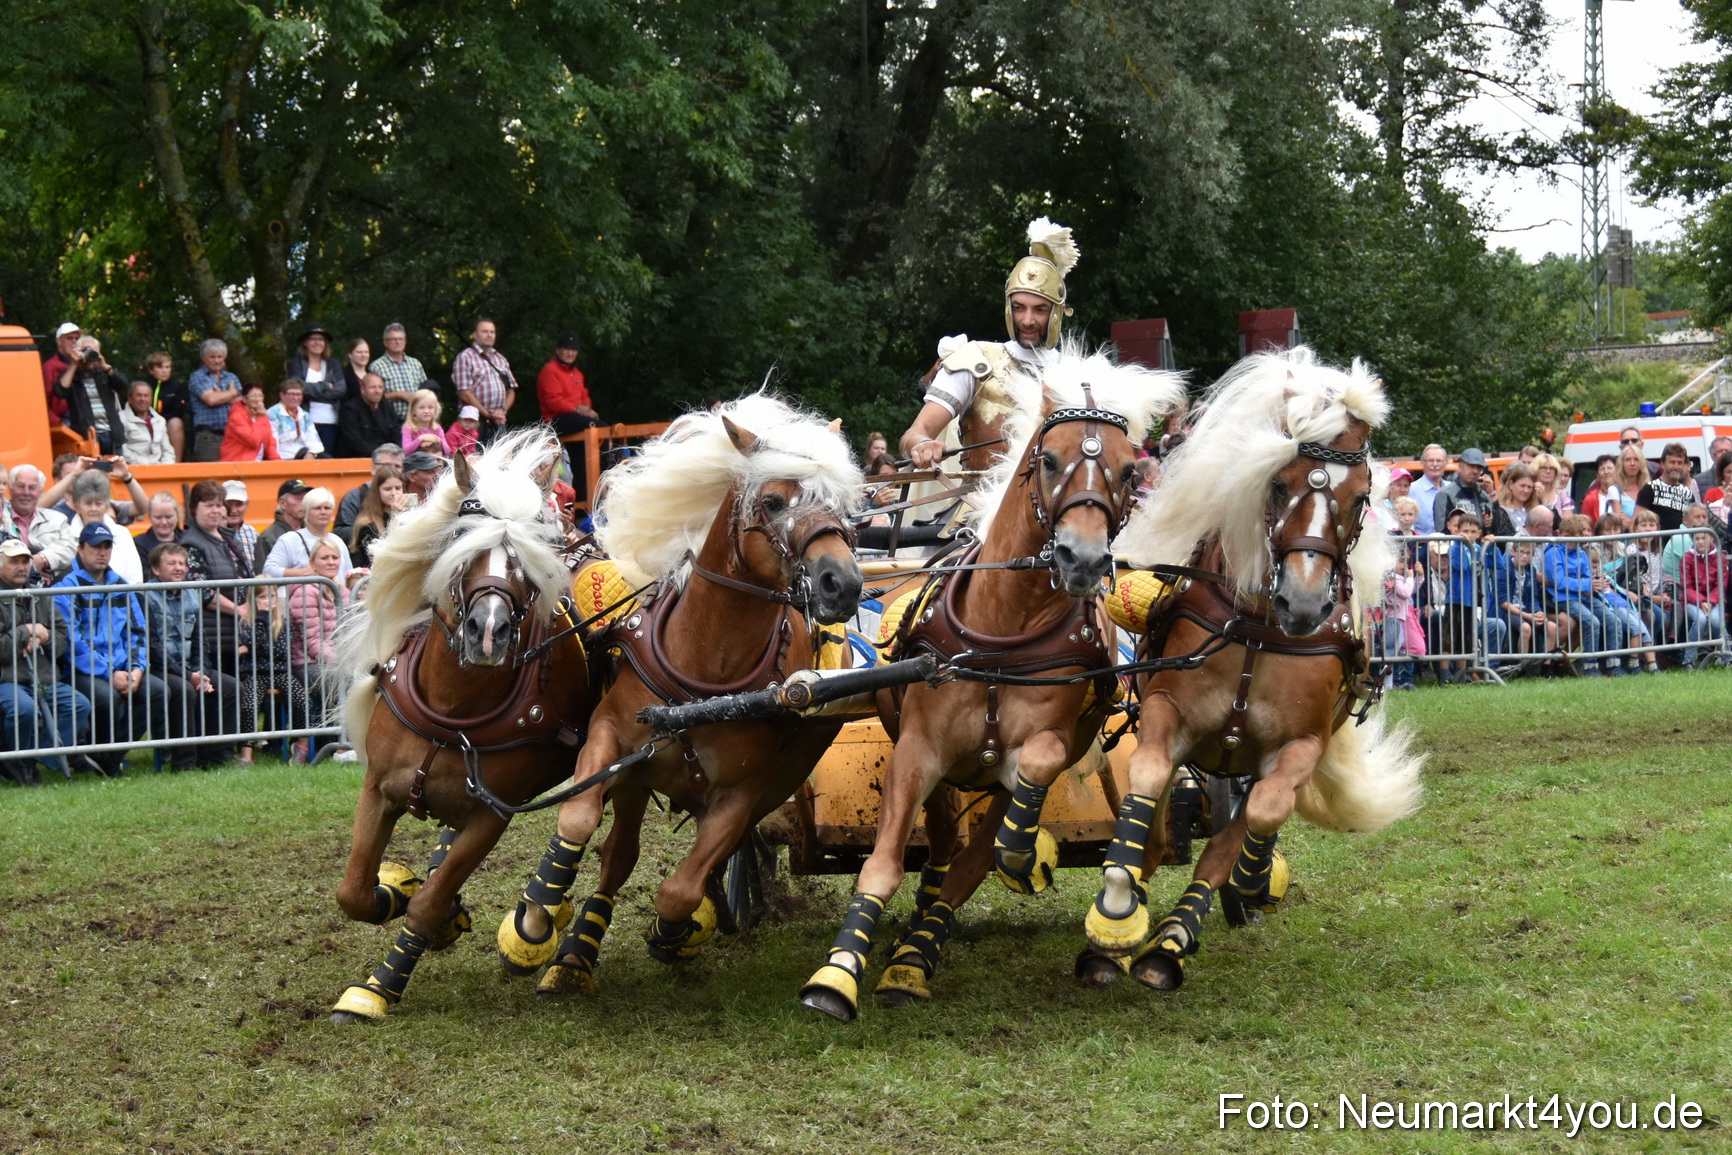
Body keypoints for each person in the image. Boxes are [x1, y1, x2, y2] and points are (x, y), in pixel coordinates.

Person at [900, 218, 1077, 473]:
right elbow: (916, 432)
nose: (1027, 320)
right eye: (1019, 308)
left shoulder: (1077, 373)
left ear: (1057, 312)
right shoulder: (976, 360)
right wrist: (922, 443)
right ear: (1008, 308)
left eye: (1039, 310)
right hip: (978, 497)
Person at [52, 523, 172, 776]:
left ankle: (108, 757)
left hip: (121, 667)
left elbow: (138, 632)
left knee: (158, 691)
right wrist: (109, 673)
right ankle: (103, 757)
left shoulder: (120, 583)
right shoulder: (64, 585)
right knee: (107, 697)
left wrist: (136, 669)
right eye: (96, 547)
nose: (103, 552)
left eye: (107, 546)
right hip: (77, 669)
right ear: (80, 549)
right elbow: (72, 643)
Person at [142, 542, 240, 770]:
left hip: (188, 666)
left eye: (182, 563)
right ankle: (184, 762)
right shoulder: (144, 596)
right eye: (172, 563)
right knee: (184, 690)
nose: (179, 568)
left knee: (232, 688)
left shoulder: (192, 593)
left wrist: (201, 671)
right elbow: (153, 647)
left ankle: (217, 758)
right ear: (156, 569)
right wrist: (188, 675)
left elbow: (200, 639)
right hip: (159, 668)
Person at [0, 539, 88, 784]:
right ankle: (16, 761)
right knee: (24, 709)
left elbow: (62, 641)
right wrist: (26, 631)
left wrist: (45, 636)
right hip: (7, 679)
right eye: (14, 562)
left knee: (79, 704)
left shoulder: (41, 595)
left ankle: (36, 756)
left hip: (43, 679)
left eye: (25, 561)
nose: (21, 567)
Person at [178, 479, 253, 685]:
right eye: (208, 505)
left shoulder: (228, 537)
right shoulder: (191, 543)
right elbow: (202, 591)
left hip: (235, 633)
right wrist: (239, 610)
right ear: (195, 508)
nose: (215, 510)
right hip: (213, 637)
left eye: (219, 505)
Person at [286, 538, 350, 761]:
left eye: (335, 557)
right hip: (306, 662)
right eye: (325, 558)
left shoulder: (342, 591)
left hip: (336, 659)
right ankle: (342, 747)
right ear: (312, 563)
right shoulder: (306, 591)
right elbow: (312, 641)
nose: (331, 562)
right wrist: (340, 661)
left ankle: (349, 744)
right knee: (344, 680)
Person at [537, 330, 605, 487]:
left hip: (576, 419)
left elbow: (584, 396)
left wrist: (587, 408)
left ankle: (589, 491)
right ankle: (605, 469)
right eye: (566, 349)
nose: (570, 353)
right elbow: (553, 401)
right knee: (600, 427)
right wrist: (578, 410)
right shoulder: (549, 370)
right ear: (558, 350)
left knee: (582, 459)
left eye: (573, 350)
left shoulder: (577, 374)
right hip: (556, 420)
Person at [67, 469, 145, 586]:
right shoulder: (66, 535)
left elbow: (135, 579)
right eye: (88, 503)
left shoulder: (121, 533)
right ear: (77, 506)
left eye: (99, 503)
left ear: (107, 505)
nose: (94, 509)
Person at [265, 487, 353, 584]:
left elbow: (348, 575)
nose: (323, 512)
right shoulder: (290, 540)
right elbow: (268, 570)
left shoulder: (338, 541)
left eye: (327, 508)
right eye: (317, 508)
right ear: (305, 512)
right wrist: (302, 573)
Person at [2, 464, 76, 580]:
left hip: (50, 586)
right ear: (10, 489)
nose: (26, 492)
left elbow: (71, 548)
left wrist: (43, 559)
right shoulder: (2, 517)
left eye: (32, 488)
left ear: (39, 491)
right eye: (21, 487)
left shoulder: (57, 519)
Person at [453, 318, 516, 446]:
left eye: (492, 332)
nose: (489, 335)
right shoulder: (465, 358)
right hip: (474, 421)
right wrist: (488, 414)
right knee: (475, 456)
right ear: (475, 334)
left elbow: (511, 390)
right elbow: (464, 393)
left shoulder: (500, 359)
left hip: (499, 420)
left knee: (500, 456)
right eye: (485, 331)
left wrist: (502, 411)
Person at [187, 339, 243, 462]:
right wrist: (232, 393)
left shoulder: (231, 377)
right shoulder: (197, 377)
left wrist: (220, 395)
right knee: (210, 473)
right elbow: (211, 399)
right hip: (208, 436)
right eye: (212, 357)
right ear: (204, 358)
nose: (216, 361)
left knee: (233, 472)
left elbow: (242, 402)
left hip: (233, 436)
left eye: (219, 357)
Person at [1681, 529, 1727, 667]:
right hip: (1692, 600)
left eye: (1704, 538)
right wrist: (1701, 602)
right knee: (1700, 619)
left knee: (1716, 620)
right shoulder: (1687, 558)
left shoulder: (1720, 557)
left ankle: (1727, 658)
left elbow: (1721, 584)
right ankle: (1688, 661)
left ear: (1711, 539)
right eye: (1697, 539)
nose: (1700, 542)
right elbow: (1687, 586)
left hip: (1714, 600)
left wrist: (1711, 602)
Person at [308, 337, 362, 456]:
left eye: (321, 339)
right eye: (313, 339)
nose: (317, 342)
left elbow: (340, 390)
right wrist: (326, 386)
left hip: (330, 420)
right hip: (307, 420)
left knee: (327, 458)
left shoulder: (332, 363)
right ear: (306, 342)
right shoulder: (298, 363)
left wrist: (311, 394)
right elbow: (299, 388)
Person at [335, 445, 403, 535]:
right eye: (386, 465)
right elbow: (340, 532)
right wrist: (367, 531)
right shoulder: (356, 496)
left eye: (397, 466)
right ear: (373, 469)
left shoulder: (409, 496)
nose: (392, 470)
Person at [347, 465, 407, 567]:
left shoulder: (408, 517)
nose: (394, 493)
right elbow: (380, 556)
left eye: (398, 488)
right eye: (387, 489)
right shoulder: (367, 525)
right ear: (377, 491)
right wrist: (394, 517)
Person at [368, 323, 428, 422]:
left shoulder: (415, 364)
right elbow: (372, 396)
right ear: (385, 343)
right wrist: (399, 394)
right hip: (390, 422)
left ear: (405, 342)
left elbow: (426, 392)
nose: (397, 342)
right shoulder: (377, 366)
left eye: (400, 339)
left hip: (417, 421)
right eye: (393, 339)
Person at [334, 372, 401, 459]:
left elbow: (396, 436)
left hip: (387, 459)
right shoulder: (349, 410)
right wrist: (381, 456)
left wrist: (392, 454)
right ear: (362, 389)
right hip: (356, 459)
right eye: (372, 387)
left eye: (380, 387)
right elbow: (355, 442)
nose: (377, 391)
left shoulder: (388, 407)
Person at [1430, 447, 1495, 534]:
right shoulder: (1445, 495)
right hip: (1455, 543)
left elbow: (1494, 531)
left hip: (1481, 543)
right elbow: (1441, 533)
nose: (1475, 471)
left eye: (1479, 467)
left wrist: (1491, 523)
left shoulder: (1484, 496)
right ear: (1460, 466)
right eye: (1471, 466)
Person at [142, 351, 191, 462]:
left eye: (167, 367)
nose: (164, 371)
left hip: (167, 421)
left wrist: (161, 420)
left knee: (176, 423)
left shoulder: (176, 386)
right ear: (151, 370)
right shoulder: (144, 385)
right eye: (160, 367)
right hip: (146, 420)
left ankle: (176, 463)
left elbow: (179, 409)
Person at [255, 479, 310, 573]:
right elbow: (263, 576)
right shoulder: (268, 537)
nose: (304, 503)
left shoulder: (312, 532)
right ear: (283, 503)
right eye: (299, 498)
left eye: (306, 499)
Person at [1637, 442, 1695, 532]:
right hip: (1656, 540)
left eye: (1680, 463)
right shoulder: (1650, 488)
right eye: (1672, 462)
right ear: (1662, 464)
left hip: (1681, 540)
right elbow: (1636, 522)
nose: (1676, 466)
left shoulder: (1688, 494)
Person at [117, 380, 175, 464]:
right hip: (132, 467)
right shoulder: (120, 418)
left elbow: (167, 450)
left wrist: (166, 466)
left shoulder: (160, 420)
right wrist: (146, 465)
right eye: (138, 395)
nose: (143, 399)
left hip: (159, 467)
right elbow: (122, 450)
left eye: (146, 396)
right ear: (129, 398)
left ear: (151, 399)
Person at [218, 382, 280, 462]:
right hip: (237, 462)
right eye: (254, 396)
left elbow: (269, 440)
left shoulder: (262, 415)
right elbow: (253, 441)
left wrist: (276, 460)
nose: (258, 399)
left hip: (257, 462)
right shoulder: (236, 417)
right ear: (244, 399)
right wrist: (260, 418)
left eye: (260, 395)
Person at [267, 379, 324, 460]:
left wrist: (311, 453)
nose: (295, 398)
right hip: (282, 457)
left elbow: (315, 441)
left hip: (303, 455)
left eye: (298, 394)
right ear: (282, 395)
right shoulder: (272, 414)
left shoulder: (305, 415)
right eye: (292, 394)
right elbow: (272, 443)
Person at [41, 321, 84, 429]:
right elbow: (43, 401)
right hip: (64, 421)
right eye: (69, 338)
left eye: (77, 338)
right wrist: (58, 423)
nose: (74, 341)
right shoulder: (49, 366)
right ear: (59, 341)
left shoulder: (84, 364)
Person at [1488, 463, 1538, 537]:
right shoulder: (1502, 512)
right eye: (1522, 486)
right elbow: (1504, 540)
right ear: (1511, 484)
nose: (1526, 490)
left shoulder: (1534, 509)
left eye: (1529, 487)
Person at [1410, 445, 1449, 535]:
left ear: (1445, 463)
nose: (1435, 464)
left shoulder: (1451, 489)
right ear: (1423, 463)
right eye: (1431, 460)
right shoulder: (1412, 490)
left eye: (1439, 460)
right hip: (1422, 543)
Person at [401, 388, 450, 457]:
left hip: (435, 461)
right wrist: (420, 439)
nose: (426, 411)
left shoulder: (437, 428)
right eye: (421, 408)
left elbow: (447, 451)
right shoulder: (409, 428)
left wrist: (437, 440)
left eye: (430, 407)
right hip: (415, 462)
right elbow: (405, 451)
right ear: (413, 410)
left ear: (435, 410)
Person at [134, 492, 182, 559]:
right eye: (158, 518)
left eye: (168, 517)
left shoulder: (188, 540)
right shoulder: (138, 544)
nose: (164, 522)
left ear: (177, 516)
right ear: (150, 517)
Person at [222, 481, 260, 562]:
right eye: (228, 505)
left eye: (239, 505)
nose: (233, 510)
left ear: (247, 505)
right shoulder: (213, 535)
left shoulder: (252, 533)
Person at [1578, 454, 1621, 525]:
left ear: (1617, 471)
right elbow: (1585, 526)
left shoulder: (1624, 494)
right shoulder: (1589, 499)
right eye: (1602, 469)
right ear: (1597, 475)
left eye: (1609, 468)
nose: (1606, 472)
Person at [1532, 452, 1573, 518]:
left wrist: (1544, 499)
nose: (1548, 471)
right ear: (1535, 470)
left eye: (1552, 468)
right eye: (1544, 468)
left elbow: (1568, 521)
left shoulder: (1561, 493)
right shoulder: (1529, 490)